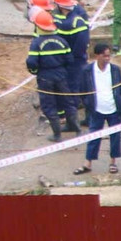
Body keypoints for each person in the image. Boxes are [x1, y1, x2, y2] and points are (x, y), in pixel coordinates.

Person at [74, 43, 121, 175]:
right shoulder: (87, 71)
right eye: (104, 56)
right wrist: (87, 103)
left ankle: (113, 162)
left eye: (109, 56)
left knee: (115, 136)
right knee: (94, 136)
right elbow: (82, 90)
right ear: (97, 56)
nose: (107, 58)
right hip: (96, 109)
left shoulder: (115, 70)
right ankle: (88, 163)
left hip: (114, 109)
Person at [26, 10, 71, 142]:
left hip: (45, 76)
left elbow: (31, 62)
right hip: (61, 74)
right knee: (66, 100)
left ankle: (57, 134)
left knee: (48, 104)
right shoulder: (61, 40)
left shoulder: (37, 43)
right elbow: (69, 59)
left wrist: (34, 71)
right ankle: (76, 128)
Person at [53, 0, 90, 131]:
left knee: (75, 90)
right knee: (74, 89)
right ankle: (76, 120)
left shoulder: (73, 21)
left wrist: (68, 58)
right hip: (73, 60)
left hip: (74, 61)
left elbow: (80, 44)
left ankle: (74, 123)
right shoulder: (72, 18)